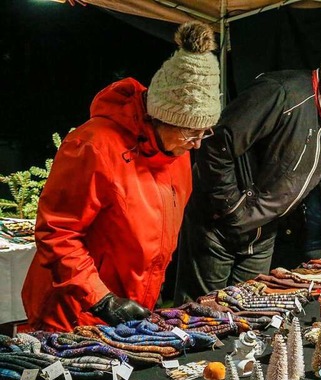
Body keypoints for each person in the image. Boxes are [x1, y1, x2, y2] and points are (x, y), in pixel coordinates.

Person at [21, 21, 221, 332]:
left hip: (133, 308)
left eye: (204, 132)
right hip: (74, 311)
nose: (196, 144)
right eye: (191, 132)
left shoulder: (177, 153)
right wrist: (102, 299)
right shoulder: (93, 146)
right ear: (161, 117)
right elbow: (58, 233)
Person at [175, 48, 321, 304]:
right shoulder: (282, 93)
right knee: (200, 310)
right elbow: (216, 145)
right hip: (216, 227)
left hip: (262, 234)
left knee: (247, 309)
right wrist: (232, 208)